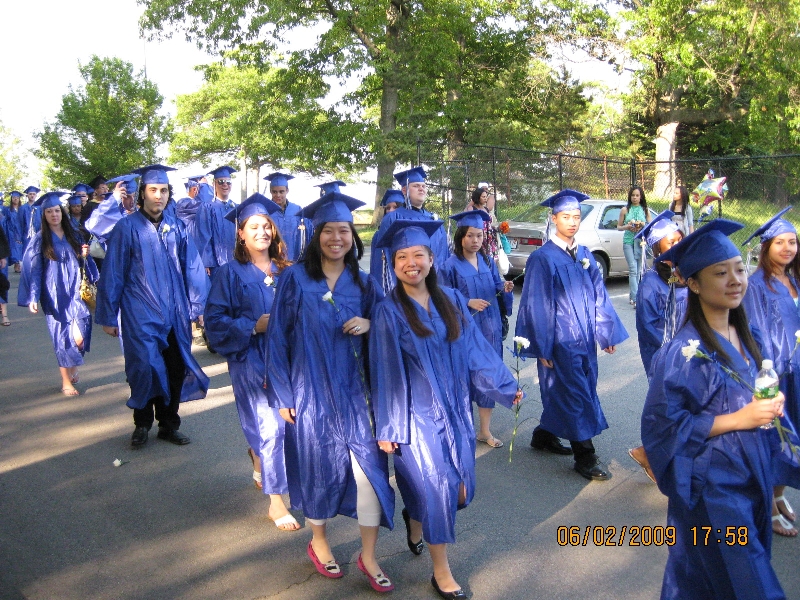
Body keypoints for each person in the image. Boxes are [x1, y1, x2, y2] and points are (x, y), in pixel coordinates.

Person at [370, 218, 522, 600]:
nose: (411, 263)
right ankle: (442, 573)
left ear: (431, 258)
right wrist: (388, 428)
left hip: (456, 410)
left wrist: (506, 386)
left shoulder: (451, 300)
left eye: (418, 255)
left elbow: (475, 350)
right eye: (401, 257)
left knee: (460, 491)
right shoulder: (389, 311)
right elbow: (385, 371)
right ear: (392, 264)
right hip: (415, 417)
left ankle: (415, 515)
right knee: (439, 488)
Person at [642, 219, 791, 599]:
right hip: (712, 486)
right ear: (693, 284)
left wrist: (771, 405)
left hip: (752, 474)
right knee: (750, 582)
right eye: (721, 273)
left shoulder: (749, 336)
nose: (735, 280)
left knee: (707, 581)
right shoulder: (684, 352)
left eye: (739, 269)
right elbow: (664, 426)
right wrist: (740, 418)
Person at [266, 191, 395, 592]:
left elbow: (390, 325)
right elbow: (277, 337)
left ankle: (368, 555)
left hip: (358, 395)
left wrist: (371, 324)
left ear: (353, 237)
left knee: (369, 474)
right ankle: (319, 542)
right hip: (311, 393)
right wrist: (283, 394)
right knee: (318, 467)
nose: (336, 238)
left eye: (344, 231)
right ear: (316, 234)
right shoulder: (295, 279)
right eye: (329, 230)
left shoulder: (365, 283)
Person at [516, 189, 629, 481]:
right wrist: (542, 346)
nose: (572, 222)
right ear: (554, 218)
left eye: (576, 216)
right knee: (575, 393)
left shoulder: (584, 254)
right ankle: (585, 456)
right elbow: (536, 303)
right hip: (559, 339)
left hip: (585, 337)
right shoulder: (542, 258)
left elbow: (599, 295)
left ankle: (543, 435)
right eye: (566, 216)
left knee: (576, 389)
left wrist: (606, 332)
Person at [95, 164, 209, 447]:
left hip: (175, 309)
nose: (159, 195)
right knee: (144, 367)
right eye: (153, 190)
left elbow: (192, 267)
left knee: (174, 368)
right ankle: (142, 424)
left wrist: (197, 306)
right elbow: (114, 272)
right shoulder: (126, 228)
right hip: (139, 311)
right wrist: (108, 315)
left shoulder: (177, 227)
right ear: (143, 193)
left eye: (164, 190)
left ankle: (169, 425)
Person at [204, 193, 299, 531]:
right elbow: (214, 322)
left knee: (289, 426)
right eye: (254, 227)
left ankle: (258, 456)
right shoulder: (229, 274)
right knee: (270, 427)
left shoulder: (289, 271)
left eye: (267, 226)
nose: (262, 232)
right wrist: (251, 326)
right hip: (250, 358)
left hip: (288, 361)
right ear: (241, 234)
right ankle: (276, 502)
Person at [741, 208, 800, 537]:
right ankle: (768, 504)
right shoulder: (755, 286)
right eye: (780, 242)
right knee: (775, 438)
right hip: (775, 374)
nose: (788, 248)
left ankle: (778, 494)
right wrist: (765, 377)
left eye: (793, 242)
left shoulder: (794, 280)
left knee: (792, 435)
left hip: (798, 371)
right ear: (766, 247)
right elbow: (753, 334)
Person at [440, 209, 515, 448]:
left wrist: (504, 287)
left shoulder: (487, 261)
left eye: (479, 236)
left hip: (490, 327)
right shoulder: (449, 266)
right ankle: (462, 430)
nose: (475, 240)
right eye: (470, 235)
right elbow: (441, 297)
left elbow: (495, 285)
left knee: (488, 375)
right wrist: (467, 301)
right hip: (465, 329)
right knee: (464, 378)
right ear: (461, 236)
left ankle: (484, 431)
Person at [17, 192, 98, 395]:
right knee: (62, 337)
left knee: (80, 335)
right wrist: (33, 296)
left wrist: (84, 254)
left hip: (75, 290)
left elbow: (83, 261)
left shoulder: (74, 234)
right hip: (54, 293)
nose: (54, 215)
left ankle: (73, 366)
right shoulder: (40, 240)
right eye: (49, 212)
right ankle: (66, 382)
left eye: (56, 211)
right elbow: (35, 270)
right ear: (44, 215)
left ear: (62, 212)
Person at [628, 211, 687, 482]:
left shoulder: (686, 272)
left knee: (681, 407)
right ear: (657, 250)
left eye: (679, 239)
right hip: (665, 355)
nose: (677, 245)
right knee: (670, 405)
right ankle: (651, 453)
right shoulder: (651, 283)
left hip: (692, 350)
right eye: (670, 242)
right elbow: (649, 329)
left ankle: (651, 453)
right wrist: (675, 351)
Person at [370, 167, 450, 294]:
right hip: (404, 289)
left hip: (434, 288)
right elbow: (384, 259)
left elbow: (444, 256)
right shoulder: (392, 218)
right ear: (404, 190)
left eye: (423, 186)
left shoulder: (434, 220)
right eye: (416, 186)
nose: (421, 189)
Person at [195, 166, 238, 279]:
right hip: (216, 264)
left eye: (228, 182)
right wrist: (206, 262)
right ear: (214, 184)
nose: (225, 185)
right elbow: (203, 235)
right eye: (221, 182)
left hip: (237, 261)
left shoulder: (237, 208)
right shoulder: (207, 207)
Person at [263, 172, 313, 262]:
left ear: (287, 191)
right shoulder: (266, 211)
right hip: (273, 260)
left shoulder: (297, 210)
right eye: (274, 192)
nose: (278, 195)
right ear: (270, 191)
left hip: (295, 259)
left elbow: (307, 233)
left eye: (281, 191)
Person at [617, 185, 651, 307]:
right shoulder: (625, 210)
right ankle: (636, 298)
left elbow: (650, 226)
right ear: (630, 197)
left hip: (640, 242)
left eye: (637, 195)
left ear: (641, 197)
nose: (635, 198)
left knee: (637, 270)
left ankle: (632, 296)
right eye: (633, 195)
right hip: (628, 241)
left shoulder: (645, 210)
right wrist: (626, 227)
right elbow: (618, 227)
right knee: (632, 269)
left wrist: (642, 224)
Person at [3, 191, 24, 272]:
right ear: (11, 199)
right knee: (13, 248)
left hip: (20, 231)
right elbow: (4, 221)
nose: (15, 199)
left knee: (19, 247)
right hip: (10, 232)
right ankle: (16, 263)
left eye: (17, 198)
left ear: (19, 199)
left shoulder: (22, 209)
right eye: (14, 197)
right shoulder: (7, 209)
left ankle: (18, 264)